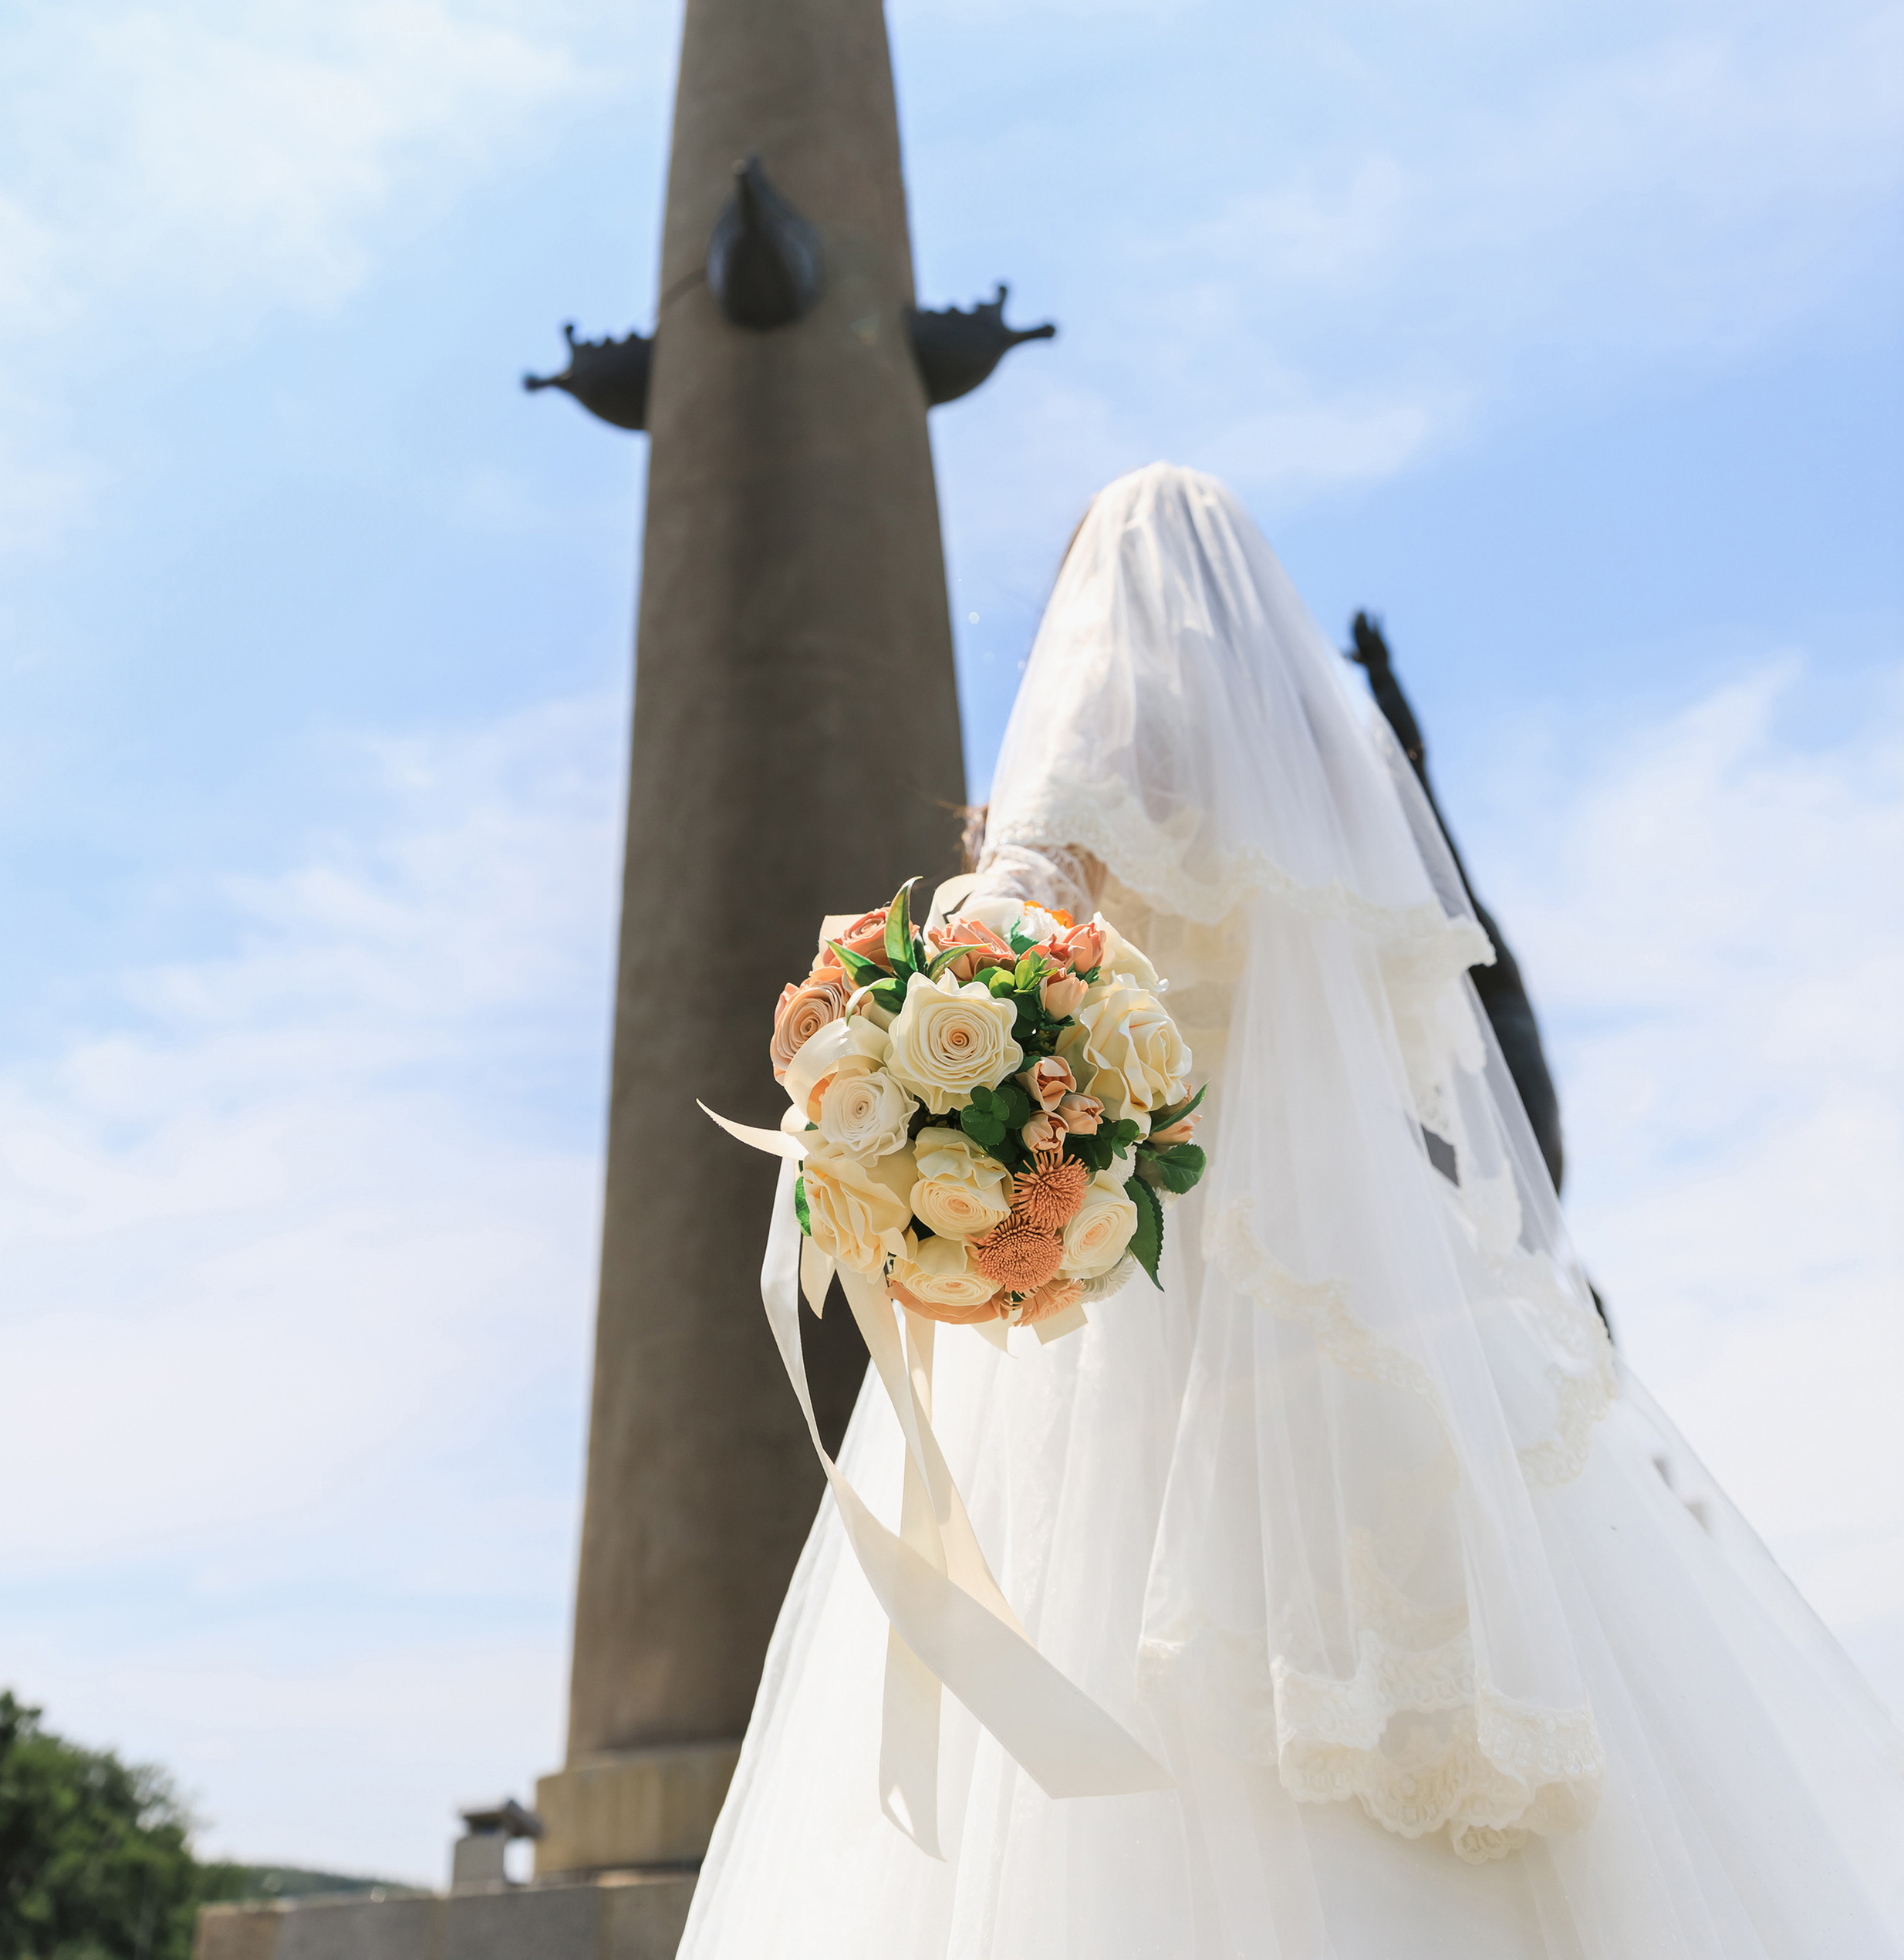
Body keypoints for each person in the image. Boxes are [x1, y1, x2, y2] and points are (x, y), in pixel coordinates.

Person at [680, 466, 1902, 1958]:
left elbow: (1008, 916)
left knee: (1122, 1696)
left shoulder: (1088, 752)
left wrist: (876, 1057)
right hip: (1371, 1268)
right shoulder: (1338, 796)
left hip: (1156, 1279)